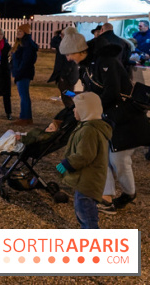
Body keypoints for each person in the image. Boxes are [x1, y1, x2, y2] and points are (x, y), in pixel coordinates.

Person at [60, 26, 150, 213]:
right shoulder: (89, 66)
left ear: (80, 51)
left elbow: (112, 92)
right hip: (108, 118)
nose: (67, 58)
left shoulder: (105, 62)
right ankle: (106, 198)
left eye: (69, 54)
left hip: (125, 119)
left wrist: (89, 106)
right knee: (102, 156)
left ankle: (128, 193)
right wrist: (77, 100)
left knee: (119, 160)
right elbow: (93, 93)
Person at [55, 92, 112, 229]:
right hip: (88, 179)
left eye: (76, 107)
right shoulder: (90, 126)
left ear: (85, 110)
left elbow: (84, 155)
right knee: (85, 209)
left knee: (85, 211)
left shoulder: (89, 131)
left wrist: (65, 165)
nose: (74, 110)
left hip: (87, 180)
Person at [10, 23, 38, 126]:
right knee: (23, 95)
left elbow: (26, 61)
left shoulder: (27, 45)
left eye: (20, 31)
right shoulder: (22, 44)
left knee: (24, 95)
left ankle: (25, 117)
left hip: (23, 73)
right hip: (21, 72)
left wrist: (19, 71)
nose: (18, 33)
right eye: (17, 31)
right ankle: (24, 116)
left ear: (26, 33)